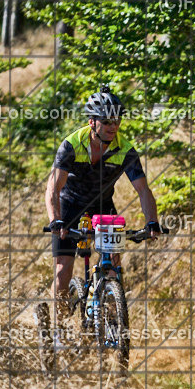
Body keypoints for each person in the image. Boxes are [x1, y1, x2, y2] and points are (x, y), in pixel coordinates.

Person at [41, 84, 161, 343]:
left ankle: (111, 319)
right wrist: (56, 220)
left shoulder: (125, 149)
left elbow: (143, 189)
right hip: (69, 206)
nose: (113, 126)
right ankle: (59, 329)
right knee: (63, 269)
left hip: (102, 207)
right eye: (106, 121)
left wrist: (152, 222)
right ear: (92, 122)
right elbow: (53, 187)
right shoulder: (72, 145)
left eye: (117, 121)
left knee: (113, 265)